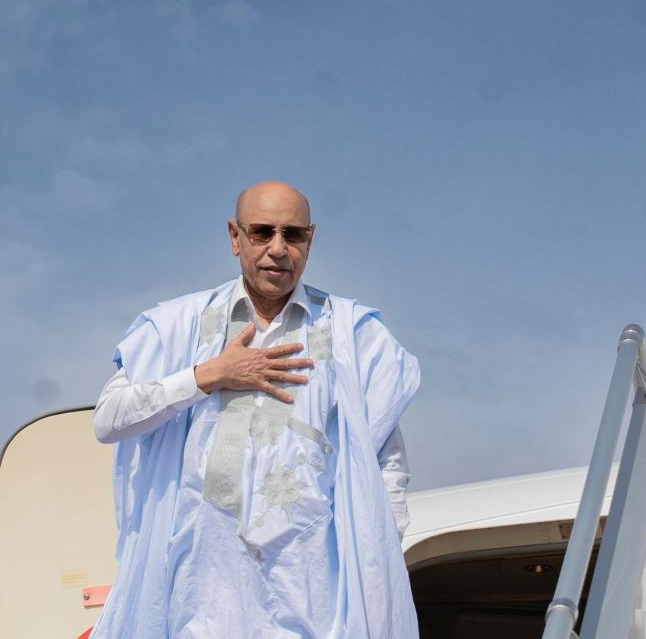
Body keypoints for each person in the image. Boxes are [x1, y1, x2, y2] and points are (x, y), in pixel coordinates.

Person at [91, 181, 420, 638]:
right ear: (235, 236)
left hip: (314, 599)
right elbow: (109, 419)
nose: (278, 249)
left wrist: (377, 559)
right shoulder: (179, 325)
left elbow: (387, 462)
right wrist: (207, 375)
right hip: (201, 599)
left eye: (293, 234)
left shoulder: (354, 334)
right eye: (262, 232)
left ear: (311, 239)